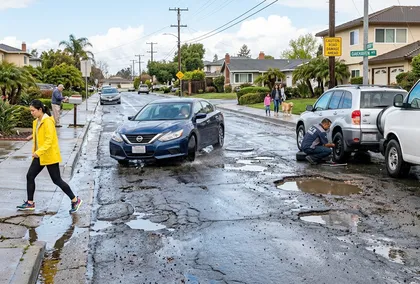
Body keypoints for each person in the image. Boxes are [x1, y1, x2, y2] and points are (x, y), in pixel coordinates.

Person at [17, 100, 82, 213]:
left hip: (49, 155)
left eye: (33, 110)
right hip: (40, 155)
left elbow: (49, 140)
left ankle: (75, 200)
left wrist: (38, 151)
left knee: (57, 180)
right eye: (31, 111)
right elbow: (40, 137)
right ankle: (30, 203)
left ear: (40, 110)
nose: (31, 113)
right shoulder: (37, 121)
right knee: (30, 176)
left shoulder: (47, 121)